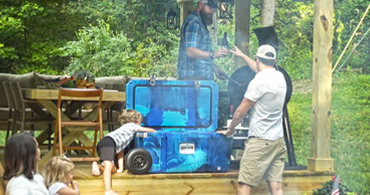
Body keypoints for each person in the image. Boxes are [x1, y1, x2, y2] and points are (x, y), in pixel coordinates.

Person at [219, 44, 287, 195]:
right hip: (277, 141)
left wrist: (231, 129)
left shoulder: (258, 82)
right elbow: (261, 70)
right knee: (276, 188)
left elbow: (241, 112)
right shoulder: (279, 76)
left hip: (260, 141)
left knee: (244, 186)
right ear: (274, 61)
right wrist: (243, 56)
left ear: (257, 59)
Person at [91, 109, 157, 195]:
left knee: (113, 169)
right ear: (135, 121)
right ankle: (108, 190)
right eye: (140, 122)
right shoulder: (132, 126)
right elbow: (144, 129)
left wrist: (120, 169)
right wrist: (155, 132)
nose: (140, 124)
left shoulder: (124, 132)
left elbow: (120, 152)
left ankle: (98, 166)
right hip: (109, 142)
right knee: (108, 166)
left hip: (106, 143)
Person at [177, 0, 229, 80]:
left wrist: (214, 68)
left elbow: (201, 54)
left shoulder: (200, 23)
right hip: (193, 79)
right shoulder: (194, 23)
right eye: (209, 8)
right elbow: (190, 51)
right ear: (200, 4)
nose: (211, 12)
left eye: (213, 10)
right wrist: (213, 54)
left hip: (199, 79)